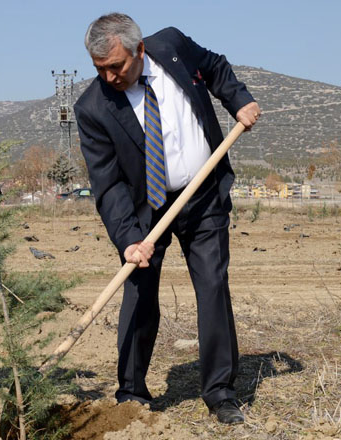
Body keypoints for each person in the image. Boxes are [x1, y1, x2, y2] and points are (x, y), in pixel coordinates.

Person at [74, 13, 261, 424]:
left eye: (116, 66)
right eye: (99, 69)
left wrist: (238, 99)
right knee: (138, 292)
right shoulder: (92, 108)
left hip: (203, 193)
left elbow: (214, 66)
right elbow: (108, 185)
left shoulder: (173, 46)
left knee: (213, 286)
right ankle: (132, 393)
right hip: (145, 209)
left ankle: (220, 392)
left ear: (139, 50)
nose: (108, 77)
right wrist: (128, 238)